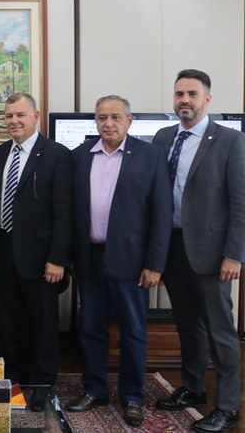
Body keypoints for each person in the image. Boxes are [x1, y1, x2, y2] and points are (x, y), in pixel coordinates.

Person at [65, 95, 172, 428]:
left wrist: (155, 264)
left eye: (114, 117)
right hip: (90, 258)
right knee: (92, 329)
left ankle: (132, 397)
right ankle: (95, 389)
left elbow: (161, 214)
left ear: (129, 120)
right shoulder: (79, 157)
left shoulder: (151, 156)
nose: (107, 123)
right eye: (101, 118)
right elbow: (70, 213)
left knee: (133, 332)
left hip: (132, 261)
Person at [153, 69, 244, 433]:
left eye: (192, 93)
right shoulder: (161, 138)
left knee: (221, 333)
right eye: (179, 94)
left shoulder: (229, 140)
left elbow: (240, 204)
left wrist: (234, 255)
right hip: (172, 248)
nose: (184, 100)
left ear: (207, 98)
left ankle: (227, 407)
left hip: (211, 253)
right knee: (187, 326)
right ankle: (192, 389)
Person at [0, 93, 73, 412]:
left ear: (36, 116)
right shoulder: (1, 152)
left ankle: (41, 383)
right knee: (11, 320)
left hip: (42, 257)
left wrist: (58, 259)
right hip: (7, 249)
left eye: (20, 115)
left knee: (42, 322)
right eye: (9, 116)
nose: (14, 121)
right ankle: (16, 377)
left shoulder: (56, 154)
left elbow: (64, 213)